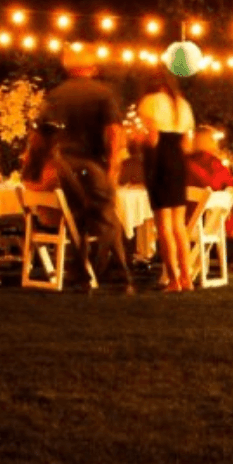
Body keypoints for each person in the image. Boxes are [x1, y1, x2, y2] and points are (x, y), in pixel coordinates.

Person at [35, 51, 133, 293]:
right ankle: (109, 275)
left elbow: (41, 135)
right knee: (107, 219)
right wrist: (113, 166)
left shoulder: (57, 95)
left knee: (78, 220)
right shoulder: (102, 93)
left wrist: (41, 167)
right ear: (91, 68)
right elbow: (113, 132)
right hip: (92, 163)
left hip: (65, 163)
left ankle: (85, 276)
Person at [137, 65, 196, 293]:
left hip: (160, 161)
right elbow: (187, 144)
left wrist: (139, 142)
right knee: (179, 225)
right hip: (178, 161)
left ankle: (173, 280)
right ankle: (187, 277)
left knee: (164, 225)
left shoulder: (149, 102)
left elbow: (151, 140)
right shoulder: (182, 104)